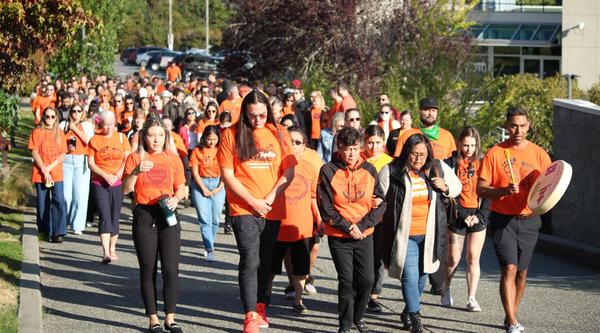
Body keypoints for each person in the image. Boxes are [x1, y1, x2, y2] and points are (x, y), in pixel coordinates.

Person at [217, 90, 297, 333]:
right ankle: (249, 314)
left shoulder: (279, 133)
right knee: (250, 259)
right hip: (243, 208)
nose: (258, 120)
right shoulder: (231, 134)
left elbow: (288, 172)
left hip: (271, 208)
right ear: (245, 113)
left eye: (262, 115)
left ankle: (261, 305)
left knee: (265, 261)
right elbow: (227, 175)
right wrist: (253, 200)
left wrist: (270, 198)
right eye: (253, 116)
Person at [477, 107, 551, 333]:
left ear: (528, 126)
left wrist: (541, 205)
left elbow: (550, 188)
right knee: (509, 268)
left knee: (522, 272)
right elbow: (480, 189)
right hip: (502, 220)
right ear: (507, 126)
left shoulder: (540, 155)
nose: (517, 130)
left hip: (529, 220)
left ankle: (511, 317)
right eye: (513, 125)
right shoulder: (496, 153)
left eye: (522, 125)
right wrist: (502, 191)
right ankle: (512, 320)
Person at [379, 133, 461, 332]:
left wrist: (446, 187)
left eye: (422, 155)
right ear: (407, 152)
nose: (418, 159)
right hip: (404, 235)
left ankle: (408, 310)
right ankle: (416, 318)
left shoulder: (437, 168)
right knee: (409, 274)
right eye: (414, 154)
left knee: (422, 277)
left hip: (429, 234)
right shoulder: (390, 171)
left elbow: (457, 188)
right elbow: (379, 198)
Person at [318, 127, 387, 333]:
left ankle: (358, 317)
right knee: (346, 280)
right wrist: (349, 227)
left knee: (367, 280)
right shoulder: (328, 170)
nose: (351, 153)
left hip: (364, 234)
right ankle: (345, 325)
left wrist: (362, 226)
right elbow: (326, 208)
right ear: (339, 148)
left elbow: (381, 202)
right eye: (347, 149)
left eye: (355, 149)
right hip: (339, 235)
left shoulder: (369, 169)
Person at [123, 116, 186, 333]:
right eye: (152, 135)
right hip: (144, 214)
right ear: (144, 136)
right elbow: (125, 190)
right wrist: (136, 171)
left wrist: (176, 199)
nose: (156, 140)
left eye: (161, 135)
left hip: (167, 213)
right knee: (148, 269)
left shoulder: (173, 159)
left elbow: (182, 188)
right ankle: (153, 319)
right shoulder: (134, 158)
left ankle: (171, 318)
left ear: (166, 136)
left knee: (170, 269)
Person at [393, 97, 456, 295]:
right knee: (412, 257)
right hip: (411, 192)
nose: (430, 113)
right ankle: (414, 301)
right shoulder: (409, 135)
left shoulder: (446, 136)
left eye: (434, 110)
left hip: (437, 195)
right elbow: (397, 164)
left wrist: (446, 187)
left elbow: (453, 164)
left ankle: (437, 281)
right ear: (419, 112)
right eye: (426, 110)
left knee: (436, 240)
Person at [266, 126, 322, 313]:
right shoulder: (275, 165)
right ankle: (265, 296)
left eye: (297, 142)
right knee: (271, 266)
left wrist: (319, 220)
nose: (293, 145)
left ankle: (298, 301)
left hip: (302, 227)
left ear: (303, 145)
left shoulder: (309, 166)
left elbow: (313, 196)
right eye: (290, 141)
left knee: (301, 269)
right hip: (278, 223)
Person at [439, 126, 489, 311]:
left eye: (473, 145)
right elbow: (447, 193)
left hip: (477, 215)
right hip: (457, 214)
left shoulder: (483, 163)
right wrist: (462, 214)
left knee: (473, 257)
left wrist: (480, 215)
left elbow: (488, 192)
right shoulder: (451, 163)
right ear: (459, 143)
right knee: (453, 259)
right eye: (465, 145)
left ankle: (471, 298)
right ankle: (446, 287)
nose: (469, 149)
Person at [87, 111, 131, 263]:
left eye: (111, 124)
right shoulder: (94, 140)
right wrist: (105, 175)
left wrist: (119, 173)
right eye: (105, 124)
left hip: (117, 182)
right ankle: (105, 252)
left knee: (115, 216)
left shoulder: (121, 137)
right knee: (104, 216)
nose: (109, 127)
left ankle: (113, 248)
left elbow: (127, 157)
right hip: (100, 182)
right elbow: (91, 163)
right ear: (100, 124)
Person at [361, 125, 393, 313]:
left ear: (383, 142)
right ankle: (361, 291)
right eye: (370, 142)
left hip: (383, 217)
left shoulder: (390, 162)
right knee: (364, 256)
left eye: (378, 142)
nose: (373, 146)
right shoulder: (359, 160)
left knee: (378, 257)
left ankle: (374, 295)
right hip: (362, 215)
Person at [29, 107, 67, 243]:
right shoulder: (37, 132)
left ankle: (58, 232)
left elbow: (63, 154)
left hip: (56, 172)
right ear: (43, 117)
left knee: (59, 201)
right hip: (40, 172)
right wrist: (44, 170)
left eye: (52, 116)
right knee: (42, 203)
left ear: (56, 118)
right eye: (47, 116)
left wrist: (50, 168)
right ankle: (45, 231)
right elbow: (34, 152)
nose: (49, 119)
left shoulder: (60, 133)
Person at [189, 125, 226, 262]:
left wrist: (219, 187)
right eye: (209, 139)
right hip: (201, 184)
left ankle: (210, 240)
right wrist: (203, 189)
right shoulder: (197, 151)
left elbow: (226, 171)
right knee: (205, 219)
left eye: (215, 139)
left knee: (216, 218)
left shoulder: (222, 151)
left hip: (218, 183)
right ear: (204, 138)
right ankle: (209, 248)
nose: (212, 142)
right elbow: (194, 172)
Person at [60, 104, 94, 235]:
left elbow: (89, 141)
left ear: (82, 113)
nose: (75, 113)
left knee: (80, 195)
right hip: (66, 161)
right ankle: (63, 221)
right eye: (73, 111)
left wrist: (76, 129)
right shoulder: (63, 125)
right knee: (66, 195)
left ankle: (77, 225)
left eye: (78, 111)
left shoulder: (87, 126)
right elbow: (58, 141)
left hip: (81, 161)